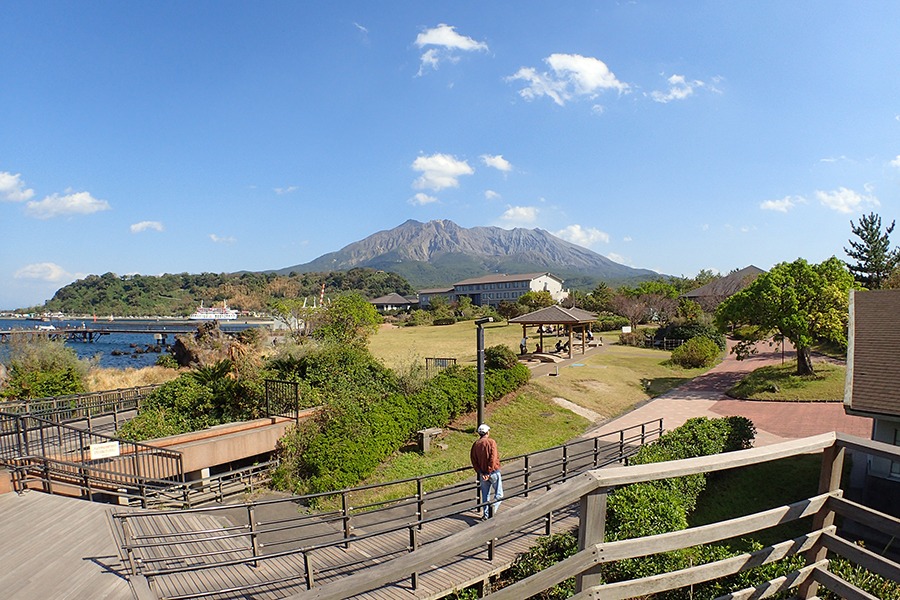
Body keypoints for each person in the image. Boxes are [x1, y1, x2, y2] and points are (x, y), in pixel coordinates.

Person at [470, 423, 503, 520]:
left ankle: (486, 514)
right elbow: (493, 458)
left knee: (485, 494)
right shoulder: (491, 442)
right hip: (493, 472)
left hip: (482, 473)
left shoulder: (475, 444)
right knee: (499, 494)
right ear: (487, 432)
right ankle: (491, 511)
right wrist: (488, 472)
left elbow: (474, 460)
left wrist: (481, 472)